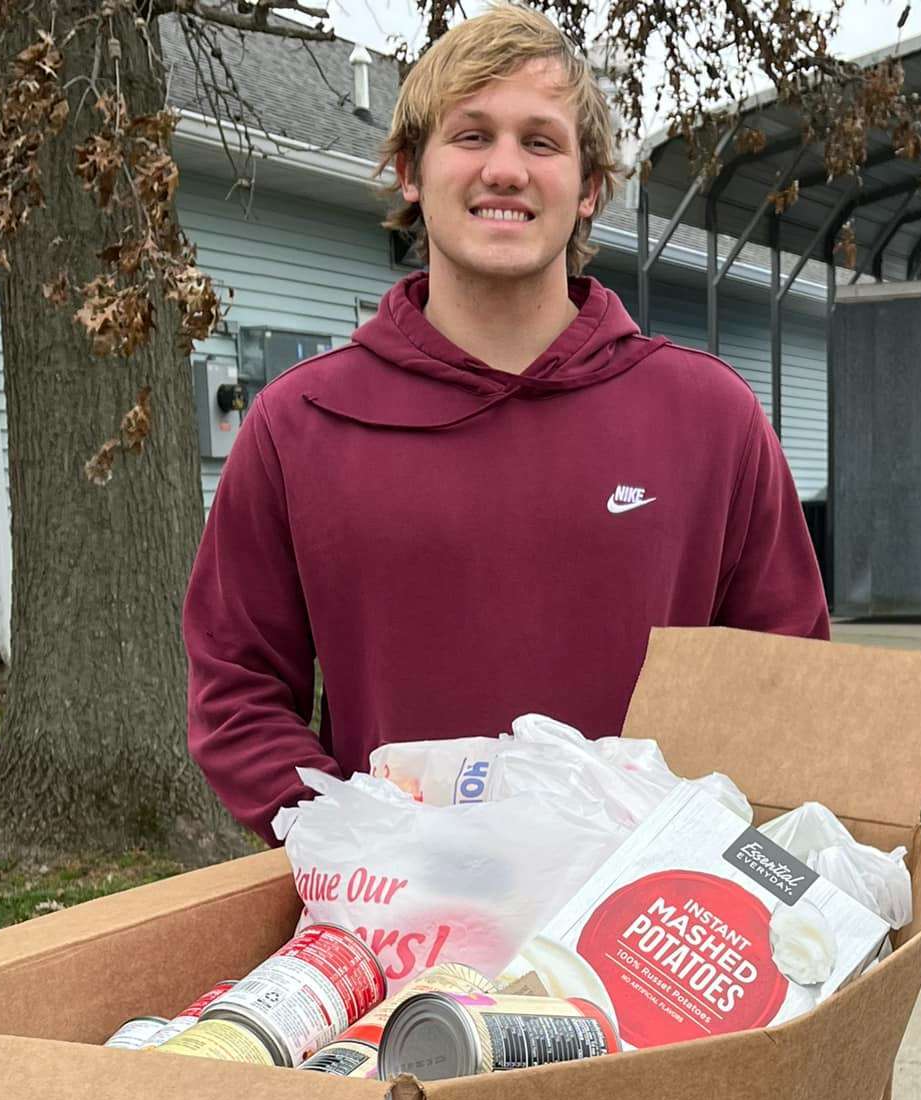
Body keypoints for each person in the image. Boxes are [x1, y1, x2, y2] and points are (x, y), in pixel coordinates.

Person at [183, 4, 829, 842]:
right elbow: (236, 687)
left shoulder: (709, 417)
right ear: (412, 171)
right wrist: (346, 841)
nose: (505, 170)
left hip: (645, 927)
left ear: (590, 186)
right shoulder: (297, 425)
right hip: (397, 931)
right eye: (471, 135)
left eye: (541, 141)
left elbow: (790, 678)